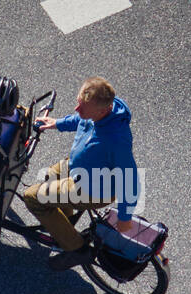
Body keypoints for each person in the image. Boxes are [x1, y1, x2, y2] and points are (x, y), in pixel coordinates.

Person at [22, 77, 140, 271]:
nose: (77, 109)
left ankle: (76, 249)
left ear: (103, 111)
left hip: (91, 188)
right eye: (78, 103)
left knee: (32, 197)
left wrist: (125, 217)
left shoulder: (116, 140)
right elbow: (80, 120)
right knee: (47, 178)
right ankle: (63, 226)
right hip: (78, 168)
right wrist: (57, 123)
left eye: (82, 107)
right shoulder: (98, 113)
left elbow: (129, 180)